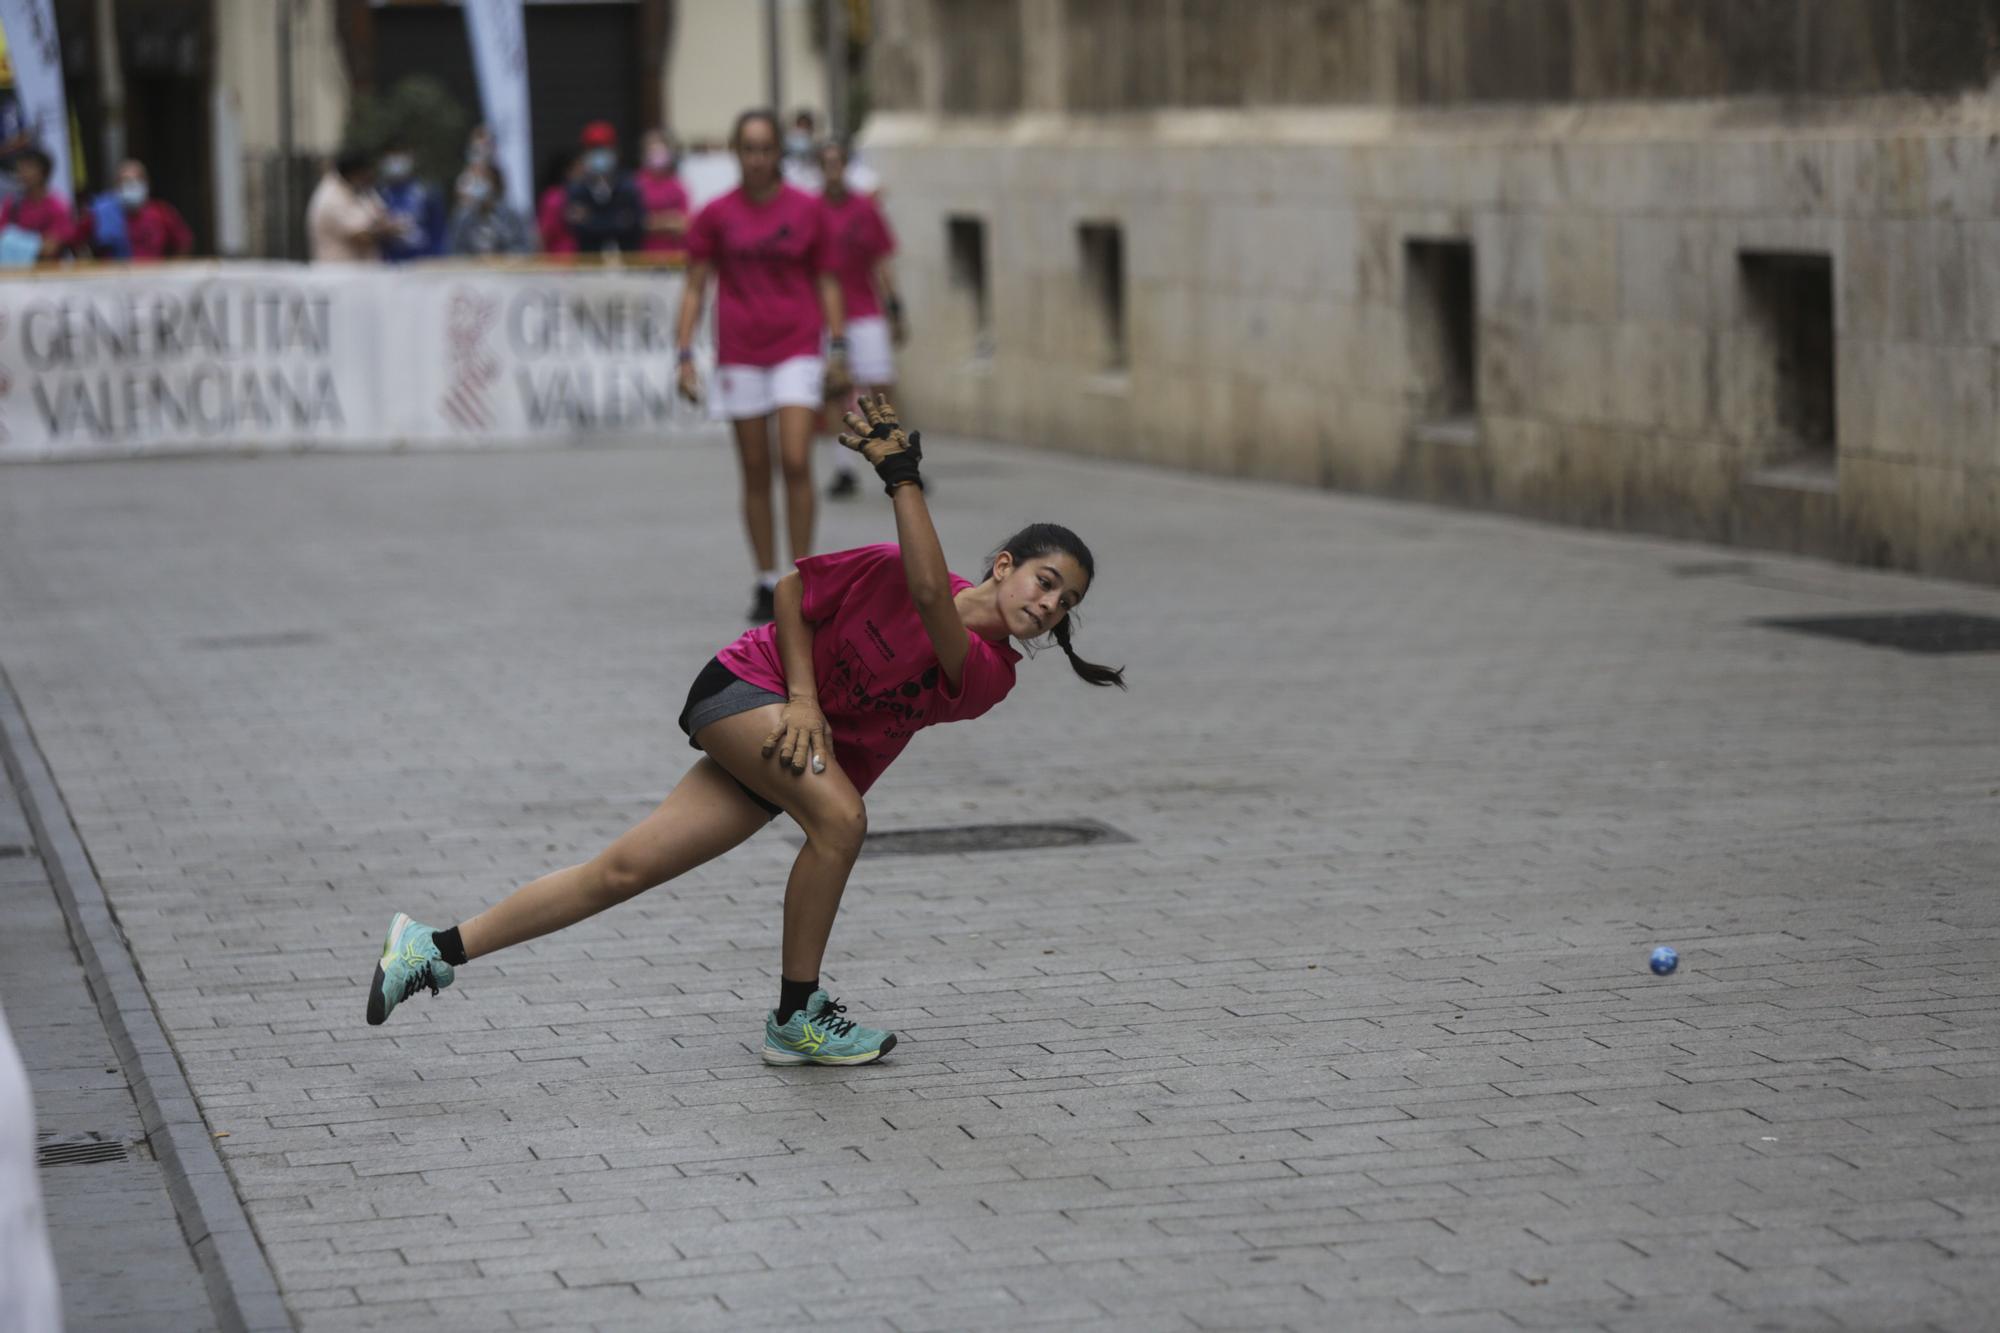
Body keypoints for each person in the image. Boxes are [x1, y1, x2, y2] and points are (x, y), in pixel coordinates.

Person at [361, 395, 1124, 1067]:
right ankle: (796, 1015)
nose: (1050, 604)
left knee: (622, 871)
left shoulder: (992, 673)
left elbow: (932, 600)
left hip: (790, 748)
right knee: (844, 820)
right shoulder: (892, 564)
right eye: (1044, 580)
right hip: (746, 690)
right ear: (1003, 565)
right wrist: (801, 696)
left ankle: (429, 948)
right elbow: (793, 592)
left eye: (1065, 602)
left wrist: (901, 479)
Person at [676, 109, 852, 624]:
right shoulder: (715, 214)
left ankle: (803, 579)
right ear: (737, 152)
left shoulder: (807, 210)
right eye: (748, 148)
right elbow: (695, 284)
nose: (756, 158)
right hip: (740, 352)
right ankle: (765, 577)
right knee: (756, 470)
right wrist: (684, 352)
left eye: (765, 148)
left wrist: (837, 345)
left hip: (796, 346)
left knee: (796, 459)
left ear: (779, 153)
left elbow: (828, 280)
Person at [815, 139, 904, 499]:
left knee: (881, 388)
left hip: (866, 311)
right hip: (826, 316)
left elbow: (881, 260)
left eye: (838, 162)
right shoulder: (812, 210)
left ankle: (898, 463)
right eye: (826, 163)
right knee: (840, 391)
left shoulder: (864, 209)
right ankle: (844, 468)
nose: (832, 169)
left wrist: (895, 306)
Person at [77, 157, 193, 261]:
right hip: (113, 279)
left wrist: (171, 270)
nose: (132, 185)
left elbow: (184, 242)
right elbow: (75, 239)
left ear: (147, 184)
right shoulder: (100, 214)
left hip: (153, 278)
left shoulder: (161, 212)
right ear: (116, 186)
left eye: (138, 180)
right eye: (126, 181)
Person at [306, 149, 400, 263]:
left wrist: (385, 227)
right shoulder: (331, 198)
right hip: (338, 275)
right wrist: (387, 231)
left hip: (365, 272)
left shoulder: (362, 189)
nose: (372, 175)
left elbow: (383, 215)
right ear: (356, 172)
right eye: (368, 171)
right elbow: (361, 238)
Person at [565, 120, 643, 254]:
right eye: (594, 149)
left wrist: (591, 219)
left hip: (628, 262)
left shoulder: (630, 187)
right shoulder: (576, 190)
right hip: (589, 263)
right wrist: (616, 220)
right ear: (584, 153)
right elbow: (576, 227)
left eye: (604, 148)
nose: (599, 154)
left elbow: (635, 223)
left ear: (616, 151)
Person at [376, 139, 446, 262]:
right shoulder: (378, 194)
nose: (395, 162)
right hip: (389, 263)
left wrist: (437, 258)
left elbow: (438, 231)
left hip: (423, 262)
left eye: (399, 155)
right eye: (391, 156)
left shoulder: (427, 192)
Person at [0, 147, 72, 264]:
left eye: (28, 167)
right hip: (13, 274)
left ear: (43, 172)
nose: (22, 173)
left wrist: (13, 241)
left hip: (49, 272)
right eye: (20, 168)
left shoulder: (57, 206)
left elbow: (50, 248)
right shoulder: (12, 203)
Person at [446, 160, 532, 257]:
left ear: (495, 183)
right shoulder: (463, 218)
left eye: (484, 179)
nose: (479, 184)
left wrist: (502, 258)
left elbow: (524, 248)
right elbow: (454, 251)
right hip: (472, 271)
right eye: (475, 180)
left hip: (505, 270)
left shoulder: (512, 216)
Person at [634, 128, 689, 262]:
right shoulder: (636, 184)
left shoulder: (677, 185)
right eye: (652, 151)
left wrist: (654, 221)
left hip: (675, 257)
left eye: (661, 151)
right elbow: (636, 222)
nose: (657, 155)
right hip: (643, 257)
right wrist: (669, 219)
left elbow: (684, 224)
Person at [536, 147, 581, 256]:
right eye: (579, 168)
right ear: (567, 171)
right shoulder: (554, 198)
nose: (584, 171)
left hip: (581, 258)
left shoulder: (582, 193)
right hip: (559, 260)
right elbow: (544, 235)